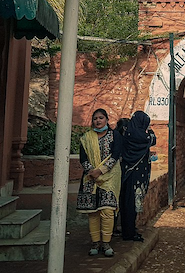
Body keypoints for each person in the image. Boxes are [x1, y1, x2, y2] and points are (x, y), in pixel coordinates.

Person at [76, 108, 122, 257]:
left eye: (101, 118)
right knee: (93, 212)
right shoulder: (86, 138)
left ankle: (106, 243)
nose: (98, 120)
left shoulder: (115, 135)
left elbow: (115, 155)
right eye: (95, 118)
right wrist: (92, 172)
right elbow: (83, 158)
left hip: (110, 177)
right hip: (90, 179)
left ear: (107, 120)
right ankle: (95, 242)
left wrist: (100, 170)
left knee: (107, 210)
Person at [119, 110, 156, 242]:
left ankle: (126, 230)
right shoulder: (143, 136)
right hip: (137, 177)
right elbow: (153, 140)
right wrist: (150, 131)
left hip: (126, 174)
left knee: (125, 203)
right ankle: (130, 232)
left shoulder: (126, 134)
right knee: (133, 204)